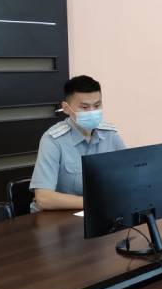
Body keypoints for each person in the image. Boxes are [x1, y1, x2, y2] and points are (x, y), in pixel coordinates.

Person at [30, 75, 125, 210]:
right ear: (66, 108)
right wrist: (94, 203)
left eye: (97, 105)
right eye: (85, 107)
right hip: (59, 217)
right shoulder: (53, 140)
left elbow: (129, 177)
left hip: (98, 213)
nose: (92, 112)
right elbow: (43, 198)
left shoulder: (110, 135)